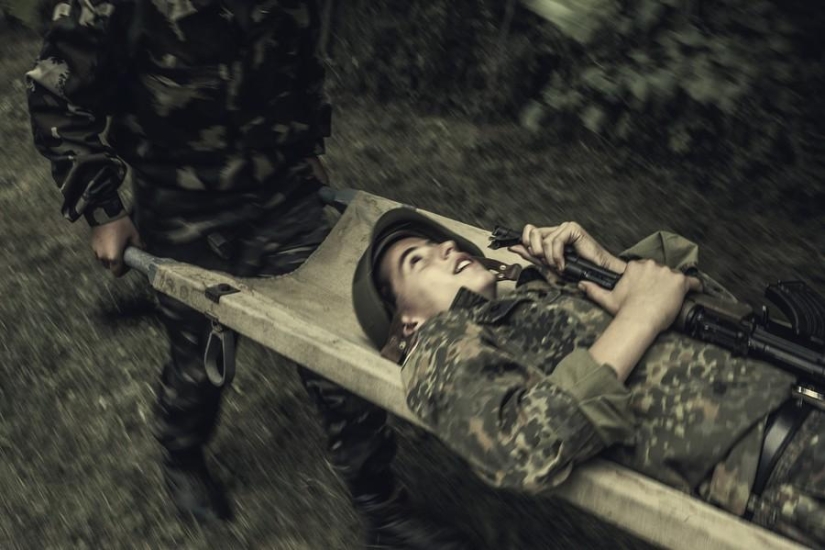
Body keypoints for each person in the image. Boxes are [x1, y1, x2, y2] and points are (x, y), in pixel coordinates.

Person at [25, 1, 473, 547]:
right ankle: (181, 452)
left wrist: (306, 145)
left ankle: (381, 505)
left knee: (344, 345)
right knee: (202, 364)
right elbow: (54, 96)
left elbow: (302, 62)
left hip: (281, 197)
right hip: (180, 207)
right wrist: (104, 209)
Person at [352, 207, 825, 547]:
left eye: (438, 243)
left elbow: (726, 317)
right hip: (781, 463)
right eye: (417, 260)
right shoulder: (437, 347)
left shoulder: (534, 294)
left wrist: (613, 270)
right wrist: (640, 314)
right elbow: (525, 447)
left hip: (799, 391)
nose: (446, 247)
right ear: (408, 323)